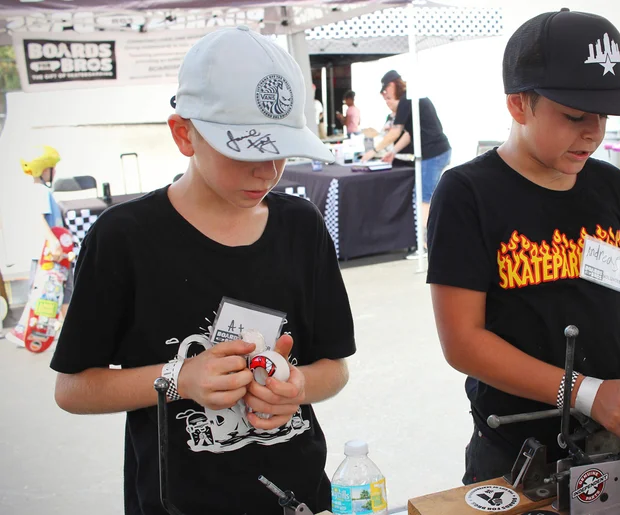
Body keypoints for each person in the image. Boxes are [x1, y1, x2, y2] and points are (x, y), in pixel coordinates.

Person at [51, 26, 355, 515]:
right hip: (179, 501)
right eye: (244, 151)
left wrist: (296, 387)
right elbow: (73, 388)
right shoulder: (124, 238)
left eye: (280, 151)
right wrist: (180, 378)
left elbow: (334, 368)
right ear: (183, 134)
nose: (267, 171)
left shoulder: (301, 226)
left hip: (302, 495)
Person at [426, 9, 620, 486]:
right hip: (518, 454)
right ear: (519, 105)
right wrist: (587, 392)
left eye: (602, 115)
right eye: (574, 115)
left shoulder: (610, 185)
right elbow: (463, 342)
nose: (593, 132)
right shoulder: (467, 192)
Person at [361, 70, 452, 247]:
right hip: (438, 151)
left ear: (392, 86)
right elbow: (409, 134)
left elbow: (395, 132)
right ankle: (428, 241)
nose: (386, 99)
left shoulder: (407, 101)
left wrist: (373, 151)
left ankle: (426, 244)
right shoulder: (414, 100)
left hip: (432, 154)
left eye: (386, 95)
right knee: (425, 196)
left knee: (424, 198)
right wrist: (393, 152)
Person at [20, 145, 73, 319]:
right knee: (63, 289)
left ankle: (60, 326)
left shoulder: (36, 191)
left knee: (50, 290)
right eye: (51, 168)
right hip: (50, 253)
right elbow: (40, 218)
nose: (54, 171)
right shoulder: (42, 191)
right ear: (43, 170)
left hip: (43, 252)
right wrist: (54, 243)